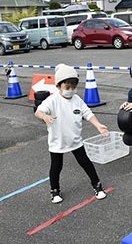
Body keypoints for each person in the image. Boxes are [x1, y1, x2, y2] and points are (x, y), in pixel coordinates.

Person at [35, 64, 109, 204]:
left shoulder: (77, 99)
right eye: (67, 87)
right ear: (58, 86)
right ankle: (55, 190)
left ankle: (97, 186)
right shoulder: (52, 100)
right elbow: (38, 111)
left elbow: (88, 113)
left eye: (73, 87)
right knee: (56, 167)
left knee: (86, 163)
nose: (70, 90)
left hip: (75, 140)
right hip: (58, 141)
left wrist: (98, 125)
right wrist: (44, 117)